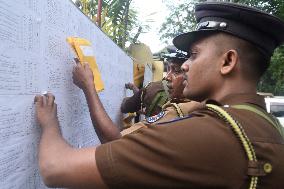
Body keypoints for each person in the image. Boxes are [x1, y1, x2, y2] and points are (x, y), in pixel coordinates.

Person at [34, 2, 284, 188]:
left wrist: (49, 123)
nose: (185, 66)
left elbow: (55, 168)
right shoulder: (266, 124)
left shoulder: (207, 134)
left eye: (194, 55)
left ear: (228, 61)